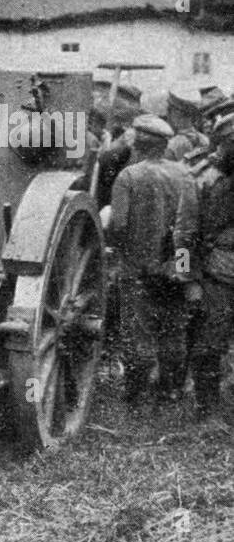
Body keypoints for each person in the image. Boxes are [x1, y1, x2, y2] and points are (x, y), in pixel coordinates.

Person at [107, 113, 198, 405]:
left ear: (139, 144)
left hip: (137, 267)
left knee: (138, 331)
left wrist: (120, 251)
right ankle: (169, 392)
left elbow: (118, 225)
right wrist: (183, 270)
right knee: (174, 329)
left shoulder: (129, 176)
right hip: (175, 267)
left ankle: (134, 396)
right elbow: (190, 226)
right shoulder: (185, 174)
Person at [189, 114, 234, 420]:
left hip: (219, 271)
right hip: (217, 275)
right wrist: (188, 278)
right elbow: (184, 233)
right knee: (209, 345)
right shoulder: (205, 180)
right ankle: (207, 409)